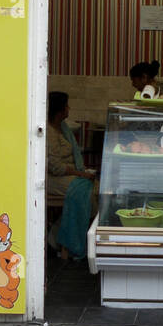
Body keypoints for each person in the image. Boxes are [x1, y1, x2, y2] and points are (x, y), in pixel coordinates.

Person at [45, 91, 97, 261]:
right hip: (53, 178)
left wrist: (82, 172)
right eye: (67, 105)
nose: (69, 108)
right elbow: (56, 168)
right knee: (87, 194)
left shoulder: (63, 127)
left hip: (68, 173)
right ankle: (68, 243)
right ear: (60, 110)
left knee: (94, 190)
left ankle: (56, 236)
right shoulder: (50, 133)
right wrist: (81, 173)